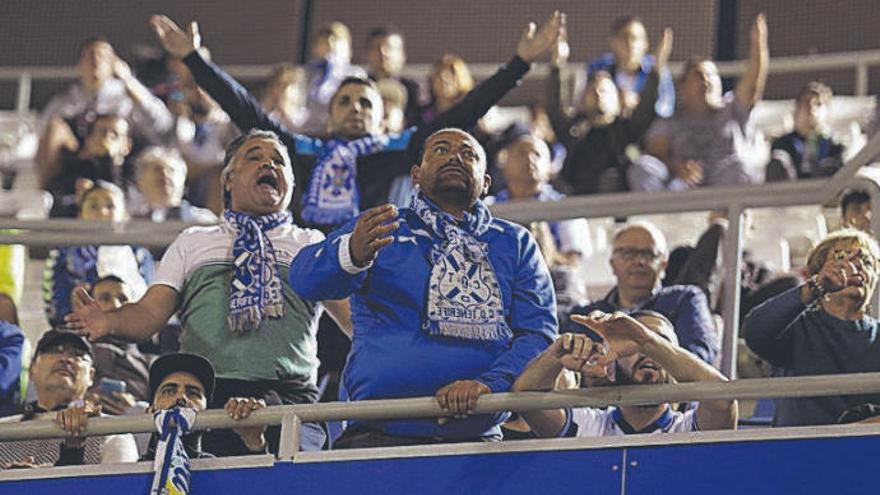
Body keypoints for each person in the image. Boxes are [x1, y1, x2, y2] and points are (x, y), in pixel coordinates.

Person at [67, 129, 351, 454]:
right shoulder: (194, 241)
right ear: (228, 181)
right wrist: (110, 322)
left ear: (291, 183)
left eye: (278, 161)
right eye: (254, 157)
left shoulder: (310, 243)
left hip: (289, 397)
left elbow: (355, 321)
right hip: (205, 397)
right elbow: (149, 314)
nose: (268, 164)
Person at [149, 12, 563, 229]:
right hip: (312, 271)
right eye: (345, 102)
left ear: (383, 119)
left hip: (380, 270)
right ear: (330, 115)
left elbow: (464, 113)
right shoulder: (303, 152)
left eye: (366, 103)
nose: (355, 108)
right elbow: (246, 111)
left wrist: (520, 63)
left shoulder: (397, 150)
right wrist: (193, 60)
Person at [289, 128, 558, 447]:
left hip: (478, 439)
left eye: (469, 154)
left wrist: (489, 385)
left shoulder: (515, 242)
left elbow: (538, 334)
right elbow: (304, 278)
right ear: (416, 175)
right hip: (377, 436)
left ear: (486, 183)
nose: (455, 156)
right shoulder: (380, 227)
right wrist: (351, 254)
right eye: (441, 150)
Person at [513, 310, 737, 437]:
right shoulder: (588, 425)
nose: (647, 352)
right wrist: (556, 354)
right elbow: (526, 399)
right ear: (610, 367)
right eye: (633, 345)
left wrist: (646, 340)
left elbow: (722, 401)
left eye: (660, 344)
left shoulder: (687, 430)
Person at [742, 229, 880, 426]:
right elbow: (754, 332)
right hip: (800, 450)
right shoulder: (794, 326)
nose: (855, 266)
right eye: (842, 258)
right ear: (819, 272)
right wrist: (816, 287)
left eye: (866, 262)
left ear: (874, 279)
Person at [628, 14, 768, 191]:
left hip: (726, 188)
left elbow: (753, 86)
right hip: (682, 188)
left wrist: (758, 45)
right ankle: (656, 216)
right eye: (699, 76)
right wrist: (676, 167)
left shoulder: (733, 108)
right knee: (643, 167)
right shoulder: (670, 121)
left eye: (711, 75)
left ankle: (724, 217)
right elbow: (656, 154)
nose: (706, 80)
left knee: (740, 167)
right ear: (683, 86)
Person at [570, 222, 719, 365]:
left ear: (663, 264)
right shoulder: (586, 316)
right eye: (628, 253)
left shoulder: (685, 299)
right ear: (612, 263)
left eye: (649, 254)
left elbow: (701, 356)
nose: (639, 261)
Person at [36, 37, 173, 189]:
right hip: (78, 160)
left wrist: (128, 81)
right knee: (55, 127)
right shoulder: (65, 100)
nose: (96, 60)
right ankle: (44, 195)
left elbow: (162, 124)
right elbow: (41, 135)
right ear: (80, 64)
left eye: (102, 55)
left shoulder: (126, 95)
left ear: (113, 64)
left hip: (120, 157)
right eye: (90, 55)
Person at [550, 26, 672, 194]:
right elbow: (554, 106)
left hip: (617, 206)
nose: (599, 94)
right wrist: (557, 66)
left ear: (617, 100)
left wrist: (656, 70)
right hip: (576, 204)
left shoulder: (626, 129)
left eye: (605, 91)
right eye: (593, 91)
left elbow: (647, 107)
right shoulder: (573, 129)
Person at [0, 330, 138, 467]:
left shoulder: (113, 431)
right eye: (54, 351)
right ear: (31, 369)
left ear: (91, 376)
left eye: (77, 355)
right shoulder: (5, 429)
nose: (65, 359)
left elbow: (118, 486)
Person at [44, 180, 154, 326]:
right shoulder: (63, 253)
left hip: (129, 330)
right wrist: (72, 305)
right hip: (79, 330)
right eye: (93, 206)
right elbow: (53, 309)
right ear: (80, 215)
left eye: (110, 206)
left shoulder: (139, 254)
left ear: (124, 215)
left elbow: (149, 303)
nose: (102, 212)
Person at [142, 353, 267, 460]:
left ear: (208, 411)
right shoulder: (126, 475)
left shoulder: (221, 472)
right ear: (149, 411)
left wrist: (254, 441)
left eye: (193, 393)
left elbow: (262, 487)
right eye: (169, 391)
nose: (181, 398)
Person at [79, 275, 154, 416]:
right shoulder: (72, 356)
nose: (116, 305)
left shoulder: (152, 366)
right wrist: (78, 402)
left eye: (123, 299)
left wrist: (138, 411)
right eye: (105, 298)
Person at [587, 16, 676, 118]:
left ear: (646, 43)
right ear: (612, 42)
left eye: (635, 38)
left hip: (648, 129)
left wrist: (639, 104)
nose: (630, 44)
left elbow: (666, 108)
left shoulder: (656, 68)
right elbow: (585, 104)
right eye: (624, 37)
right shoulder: (599, 67)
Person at [47, 114, 134, 218]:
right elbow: (54, 205)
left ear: (127, 146)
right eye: (101, 132)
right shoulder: (73, 173)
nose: (106, 138)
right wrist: (80, 201)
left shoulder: (135, 175)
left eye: (114, 135)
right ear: (88, 140)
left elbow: (124, 203)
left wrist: (108, 161)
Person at [766, 81, 845, 181]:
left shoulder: (834, 147)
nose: (811, 108)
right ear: (796, 109)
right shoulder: (782, 144)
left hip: (825, 193)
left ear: (827, 112)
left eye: (818, 104)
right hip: (789, 193)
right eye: (806, 102)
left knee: (831, 167)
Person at [299, 22, 367, 137]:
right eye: (325, 41)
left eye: (336, 40)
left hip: (340, 131)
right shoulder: (307, 74)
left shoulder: (355, 73)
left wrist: (331, 71)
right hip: (310, 131)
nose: (331, 45)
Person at [129, 146, 218, 223]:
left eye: (171, 170)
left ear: (183, 180)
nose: (165, 175)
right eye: (157, 169)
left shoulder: (202, 220)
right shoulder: (130, 223)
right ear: (141, 181)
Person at [365, 27, 421, 127]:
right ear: (368, 54)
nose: (383, 53)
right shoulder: (360, 88)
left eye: (389, 48)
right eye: (377, 48)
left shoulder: (414, 90)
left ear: (402, 55)